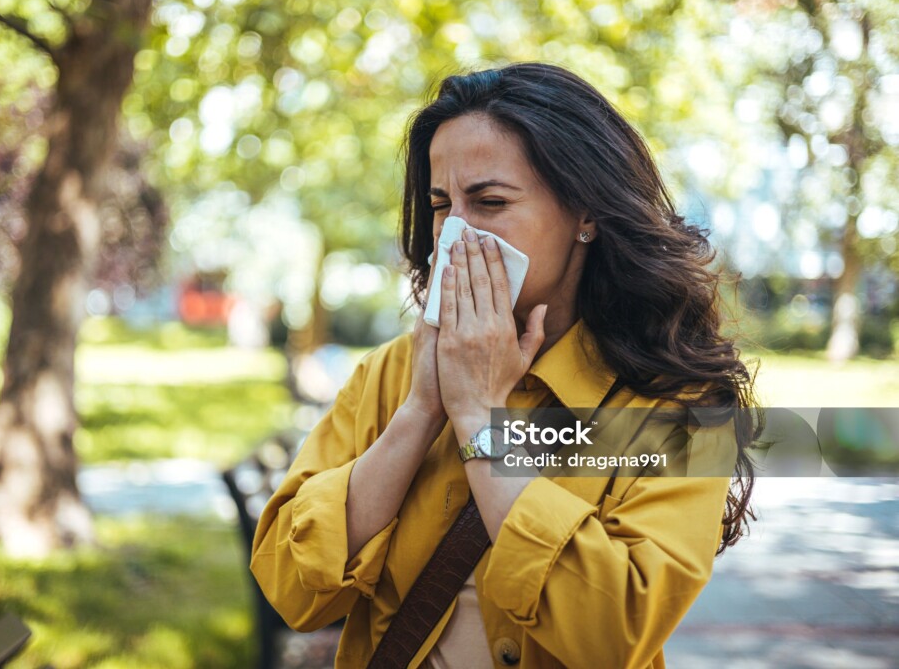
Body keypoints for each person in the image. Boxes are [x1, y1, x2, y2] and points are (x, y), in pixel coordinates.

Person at [250, 62, 757, 669]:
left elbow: (613, 632)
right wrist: (420, 412)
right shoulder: (390, 374)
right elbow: (289, 588)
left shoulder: (676, 403)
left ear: (586, 214)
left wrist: (479, 420)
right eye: (441, 205)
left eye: (490, 201)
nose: (455, 234)